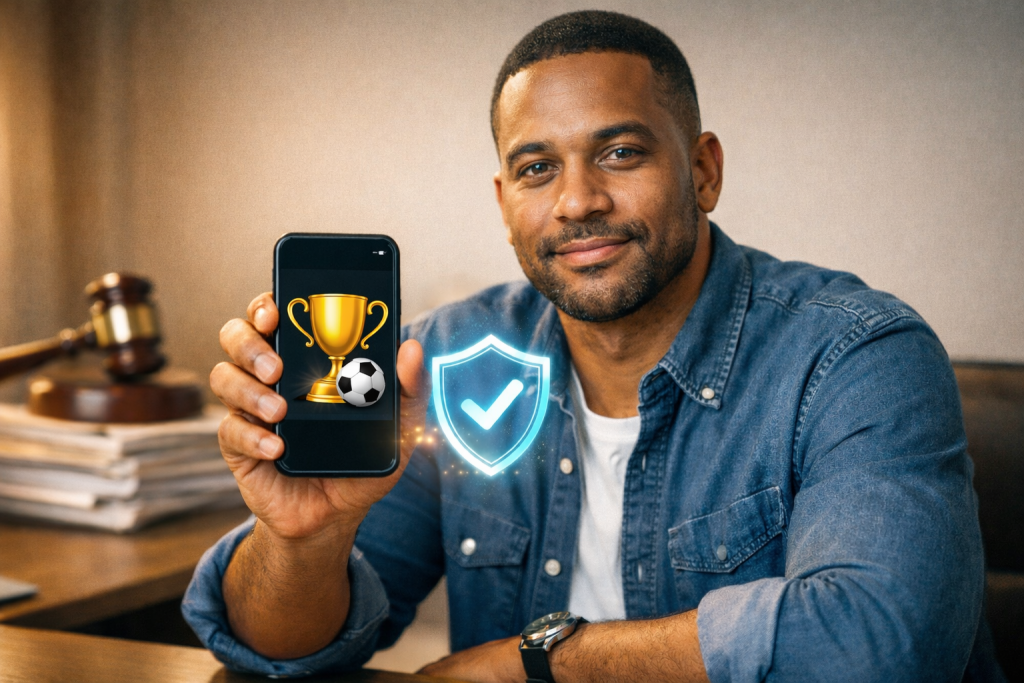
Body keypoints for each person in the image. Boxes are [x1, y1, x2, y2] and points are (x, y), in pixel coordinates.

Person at [184, 10, 1003, 683]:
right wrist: (301, 538)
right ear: (505, 205)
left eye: (620, 152)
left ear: (704, 170)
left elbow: (887, 644)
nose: (577, 201)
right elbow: (278, 653)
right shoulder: (446, 360)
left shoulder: (857, 356)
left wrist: (537, 661)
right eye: (538, 168)